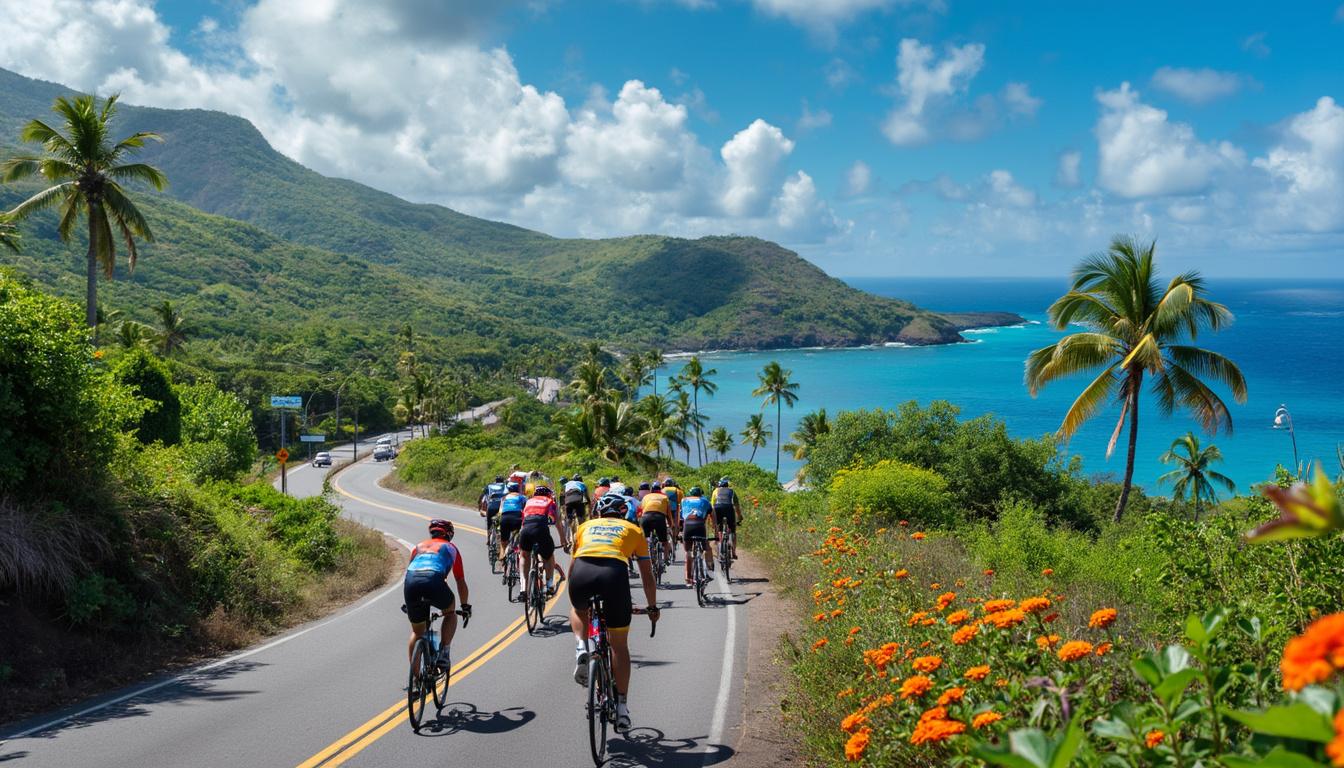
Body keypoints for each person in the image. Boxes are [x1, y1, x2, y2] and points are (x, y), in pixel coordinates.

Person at [568, 494, 659, 733]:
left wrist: (575, 591)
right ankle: (621, 708)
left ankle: (581, 647)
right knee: (619, 646)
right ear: (622, 513)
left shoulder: (585, 526)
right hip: (613, 575)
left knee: (578, 609)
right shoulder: (633, 529)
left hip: (581, 574)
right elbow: (647, 575)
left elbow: (572, 564)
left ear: (598, 513)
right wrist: (652, 607)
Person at [404, 519, 471, 665]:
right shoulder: (450, 547)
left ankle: (415, 681)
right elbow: (460, 580)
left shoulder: (417, 547)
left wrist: (407, 603)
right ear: (449, 534)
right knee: (450, 612)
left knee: (417, 632)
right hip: (434, 580)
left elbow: (411, 574)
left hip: (411, 584)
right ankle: (444, 653)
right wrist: (465, 606)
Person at [518, 485, 570, 598]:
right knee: (548, 556)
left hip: (526, 530)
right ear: (549, 494)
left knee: (524, 555)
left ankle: (523, 588)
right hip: (540, 529)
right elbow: (558, 524)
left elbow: (523, 521)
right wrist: (563, 541)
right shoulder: (550, 501)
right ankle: (549, 585)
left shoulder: (528, 501)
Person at [679, 486, 717, 586]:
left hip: (687, 526)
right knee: (707, 548)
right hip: (700, 525)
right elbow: (713, 516)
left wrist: (679, 533)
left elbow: (681, 518)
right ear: (700, 494)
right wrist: (716, 531)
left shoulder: (684, 500)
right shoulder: (705, 501)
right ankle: (709, 571)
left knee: (688, 552)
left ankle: (688, 579)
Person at [639, 483, 674, 564]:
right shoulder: (664, 497)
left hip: (646, 518)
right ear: (660, 490)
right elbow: (668, 514)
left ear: (651, 490)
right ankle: (666, 559)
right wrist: (671, 524)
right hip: (659, 518)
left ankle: (646, 556)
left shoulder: (646, 497)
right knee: (664, 542)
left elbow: (641, 511)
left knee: (645, 540)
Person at [710, 477, 742, 559]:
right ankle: (734, 553)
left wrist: (712, 520)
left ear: (719, 486)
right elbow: (737, 506)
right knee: (733, 531)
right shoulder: (732, 491)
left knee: (719, 528)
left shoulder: (715, 491)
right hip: (729, 508)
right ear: (727, 486)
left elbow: (712, 506)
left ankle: (720, 544)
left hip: (718, 508)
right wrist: (740, 517)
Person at [497, 481, 527, 563]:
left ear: (509, 490)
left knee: (503, 541)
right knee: (520, 535)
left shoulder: (504, 498)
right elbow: (525, 510)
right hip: (517, 518)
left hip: (505, 518)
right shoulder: (522, 497)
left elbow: (500, 511)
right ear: (518, 489)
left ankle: (503, 555)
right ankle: (518, 551)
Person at [661, 478, 683, 546]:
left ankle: (665, 535)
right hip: (674, 509)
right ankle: (675, 537)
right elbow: (680, 501)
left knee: (665, 522)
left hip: (665, 509)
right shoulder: (678, 490)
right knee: (675, 523)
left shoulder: (662, 490)